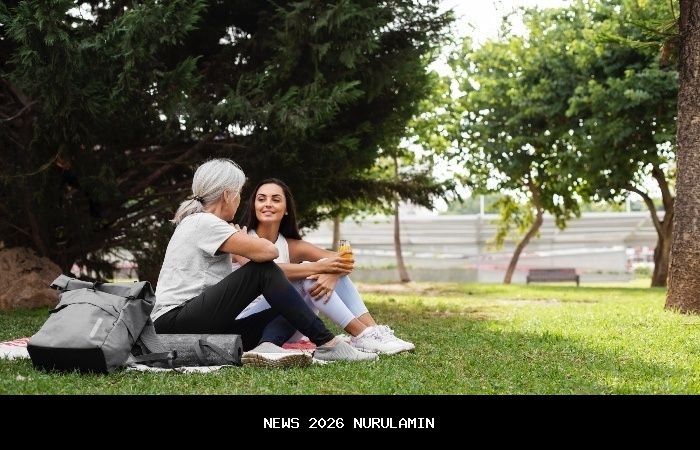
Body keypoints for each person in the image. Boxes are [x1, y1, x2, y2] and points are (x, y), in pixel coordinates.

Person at [151, 159, 376, 367]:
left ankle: (268, 345)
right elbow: (269, 252)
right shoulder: (204, 222)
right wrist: (244, 239)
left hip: (203, 323)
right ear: (228, 195)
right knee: (262, 270)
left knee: (292, 305)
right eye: (239, 193)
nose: (239, 200)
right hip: (173, 321)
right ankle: (328, 343)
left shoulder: (201, 222)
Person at [234, 178, 415, 355]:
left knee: (318, 271)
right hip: (251, 322)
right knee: (308, 273)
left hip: (290, 324)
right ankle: (360, 334)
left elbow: (343, 260)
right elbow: (265, 272)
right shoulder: (241, 238)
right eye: (261, 199)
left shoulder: (292, 245)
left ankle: (373, 332)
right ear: (254, 206)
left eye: (275, 199)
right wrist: (321, 268)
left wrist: (331, 274)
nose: (268, 204)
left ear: (287, 208)